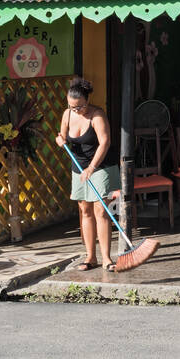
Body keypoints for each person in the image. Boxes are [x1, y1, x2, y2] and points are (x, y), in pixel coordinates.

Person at [57, 76, 119, 271]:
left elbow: (105, 142)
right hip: (79, 168)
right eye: (72, 106)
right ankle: (91, 257)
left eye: (79, 107)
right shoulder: (67, 114)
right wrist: (61, 141)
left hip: (101, 167)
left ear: (87, 101)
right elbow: (62, 136)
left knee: (101, 211)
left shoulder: (97, 115)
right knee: (85, 211)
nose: (76, 110)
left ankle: (107, 258)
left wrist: (91, 168)